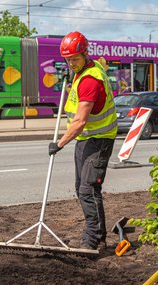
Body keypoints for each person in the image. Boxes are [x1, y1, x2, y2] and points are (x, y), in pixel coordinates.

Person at [48, 31, 118, 251]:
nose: (71, 64)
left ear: (86, 53)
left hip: (99, 140)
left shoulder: (90, 80)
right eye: (67, 60)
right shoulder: (83, 71)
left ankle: (93, 238)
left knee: (88, 190)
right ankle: (98, 234)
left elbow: (79, 121)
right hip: (87, 139)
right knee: (81, 189)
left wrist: (59, 143)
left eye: (75, 59)